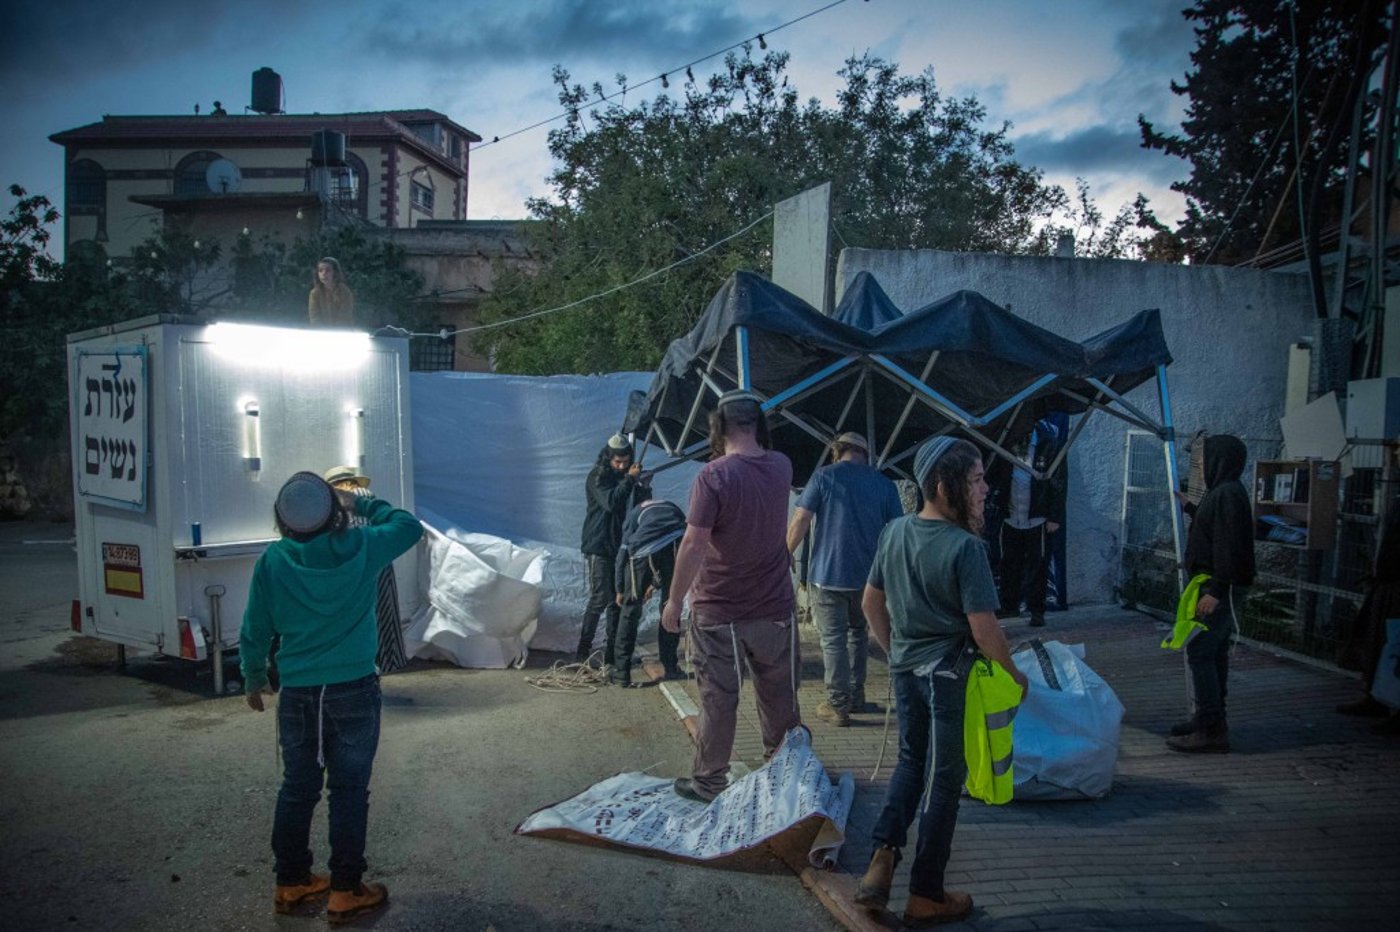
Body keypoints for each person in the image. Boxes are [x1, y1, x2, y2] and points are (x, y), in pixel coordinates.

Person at [854, 436, 1028, 927]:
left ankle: (881, 859)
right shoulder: (966, 548)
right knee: (944, 781)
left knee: (911, 764)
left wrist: (897, 653)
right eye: (974, 480)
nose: (984, 489)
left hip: (908, 671)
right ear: (941, 485)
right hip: (948, 676)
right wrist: (1015, 675)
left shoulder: (894, 532)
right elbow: (984, 628)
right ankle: (926, 893)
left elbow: (871, 603)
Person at [239, 471, 423, 923]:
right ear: (333, 515)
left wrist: (252, 677)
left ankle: (292, 882)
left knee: (298, 789)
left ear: (283, 520)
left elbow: (254, 627)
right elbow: (408, 526)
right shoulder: (361, 548)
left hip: (298, 692)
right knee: (348, 791)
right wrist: (358, 503)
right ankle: (345, 891)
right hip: (354, 689)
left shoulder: (273, 560)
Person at [661, 390, 801, 803]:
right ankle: (782, 775)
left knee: (718, 698)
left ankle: (708, 783)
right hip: (774, 605)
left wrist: (673, 600)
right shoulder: (782, 466)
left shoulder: (713, 476)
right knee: (779, 695)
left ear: (718, 429)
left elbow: (693, 543)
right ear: (758, 424)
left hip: (718, 607)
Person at [786, 431, 903, 726]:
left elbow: (801, 519)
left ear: (837, 452)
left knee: (833, 639)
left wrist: (785, 552)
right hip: (870, 579)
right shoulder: (884, 484)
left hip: (828, 574)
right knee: (858, 634)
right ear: (865, 454)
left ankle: (838, 705)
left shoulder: (824, 477)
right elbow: (898, 530)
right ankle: (856, 696)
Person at [1166, 434, 1255, 753]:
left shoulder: (1228, 494)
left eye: (1205, 461)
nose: (1201, 467)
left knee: (1201, 651)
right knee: (1212, 652)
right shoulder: (1223, 493)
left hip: (1218, 587)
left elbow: (1229, 545)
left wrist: (1216, 590)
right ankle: (1210, 719)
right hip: (1215, 583)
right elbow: (1214, 528)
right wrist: (1190, 507)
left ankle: (1211, 727)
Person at [323, 465, 409, 674]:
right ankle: (390, 660)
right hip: (378, 557)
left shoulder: (335, 502)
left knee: (360, 615)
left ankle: (365, 663)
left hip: (351, 562)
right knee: (385, 611)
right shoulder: (367, 495)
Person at [1336, 483, 1400, 736]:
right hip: (1387, 579)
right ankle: (1377, 696)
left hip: (1393, 579)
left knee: (1392, 644)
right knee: (1380, 641)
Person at [578, 433, 648, 663]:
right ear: (608, 458)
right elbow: (611, 503)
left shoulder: (625, 477)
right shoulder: (597, 477)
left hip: (620, 546)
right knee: (600, 598)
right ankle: (582, 653)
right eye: (617, 462)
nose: (621, 466)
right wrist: (629, 479)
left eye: (625, 462)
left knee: (616, 601)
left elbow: (637, 507)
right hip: (598, 545)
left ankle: (611, 656)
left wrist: (643, 488)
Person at [987, 427, 1065, 627]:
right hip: (1010, 516)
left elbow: (1058, 482)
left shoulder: (1049, 446)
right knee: (1007, 562)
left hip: (1036, 518)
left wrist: (1054, 517)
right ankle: (1009, 605)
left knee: (1038, 564)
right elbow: (994, 475)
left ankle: (1036, 610)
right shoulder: (1005, 444)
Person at [612, 497, 688, 686]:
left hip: (642, 554)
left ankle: (621, 673)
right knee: (670, 607)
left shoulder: (634, 513)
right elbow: (684, 533)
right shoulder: (673, 506)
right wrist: (656, 583)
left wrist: (620, 589)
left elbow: (623, 552)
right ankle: (671, 668)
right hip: (675, 546)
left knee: (630, 612)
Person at [308, 257, 355, 327]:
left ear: (335, 272)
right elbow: (314, 317)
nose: (323, 274)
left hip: (342, 332)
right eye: (320, 270)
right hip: (321, 333)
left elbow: (344, 316)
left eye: (328, 270)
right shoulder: (315, 293)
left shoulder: (345, 292)